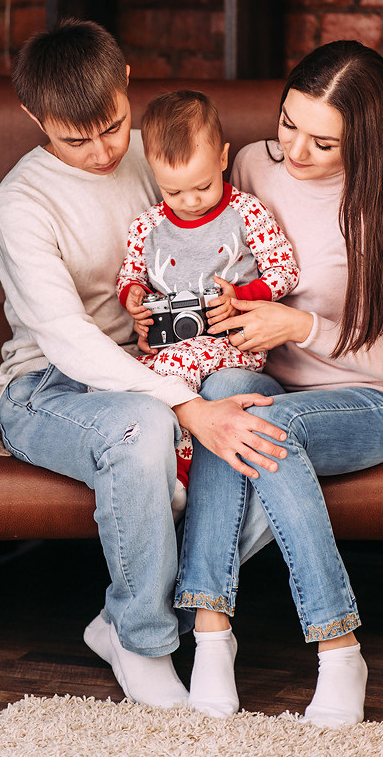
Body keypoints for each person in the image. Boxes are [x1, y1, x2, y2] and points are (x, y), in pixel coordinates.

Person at [0, 18, 289, 710]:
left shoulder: (155, 157)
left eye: (114, 127)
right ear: (35, 118)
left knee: (268, 426)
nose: (100, 152)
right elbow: (65, 338)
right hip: (47, 386)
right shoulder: (21, 203)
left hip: (159, 364)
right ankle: (146, 642)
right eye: (74, 137)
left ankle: (119, 620)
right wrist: (180, 402)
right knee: (142, 429)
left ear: (127, 86)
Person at [172, 40, 383, 725]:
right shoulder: (250, 164)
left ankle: (338, 646)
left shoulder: (377, 206)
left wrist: (296, 327)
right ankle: (212, 640)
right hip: (266, 387)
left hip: (365, 404)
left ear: (363, 141)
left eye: (323, 142)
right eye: (288, 123)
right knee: (230, 402)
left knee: (258, 423)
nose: (294, 151)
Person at [116, 90, 299, 506]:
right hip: (166, 346)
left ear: (222, 159)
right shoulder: (148, 226)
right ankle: (147, 469)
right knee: (120, 383)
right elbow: (130, 273)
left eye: (201, 187)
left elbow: (284, 269)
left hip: (232, 342)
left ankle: (178, 477)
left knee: (173, 374)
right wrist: (135, 300)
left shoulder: (246, 212)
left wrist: (242, 296)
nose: (191, 201)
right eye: (173, 192)